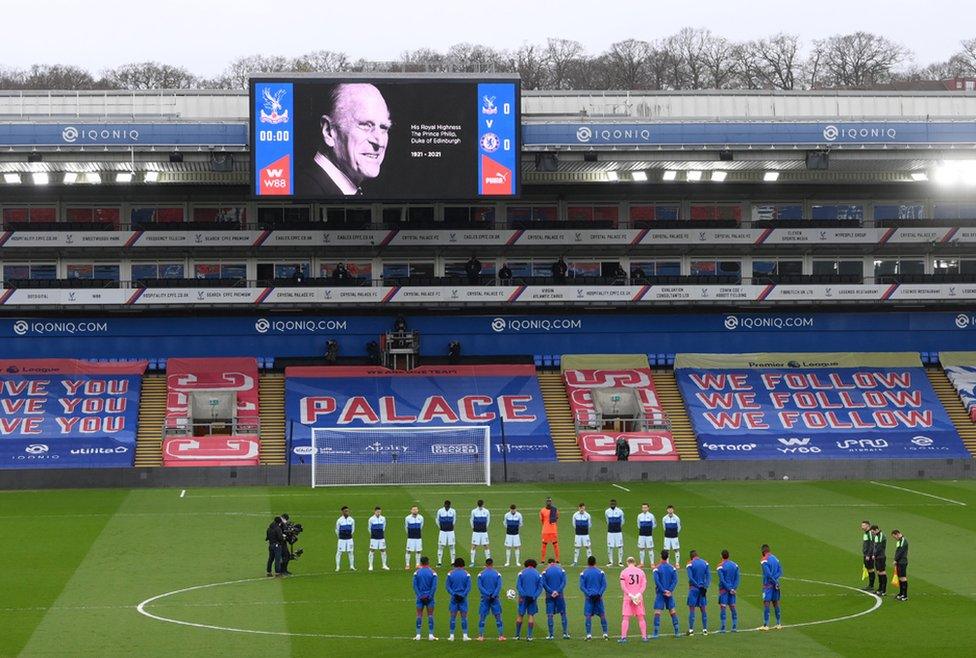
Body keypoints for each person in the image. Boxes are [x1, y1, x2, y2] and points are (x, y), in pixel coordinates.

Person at [299, 82, 391, 197]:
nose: (380, 142)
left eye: (384, 127)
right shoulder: (307, 193)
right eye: (365, 125)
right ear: (328, 131)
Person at [619, 556, 649, 643]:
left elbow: (623, 586)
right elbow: (644, 585)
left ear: (627, 562)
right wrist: (638, 594)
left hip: (628, 598)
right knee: (641, 617)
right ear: (635, 563)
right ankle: (644, 637)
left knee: (625, 617)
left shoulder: (624, 572)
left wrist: (630, 595)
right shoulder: (641, 572)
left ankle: (624, 638)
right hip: (638, 598)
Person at [652, 549, 681, 638]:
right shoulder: (672, 568)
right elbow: (675, 580)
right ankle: (677, 632)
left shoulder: (657, 568)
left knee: (657, 611)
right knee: (672, 611)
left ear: (661, 556)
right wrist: (669, 591)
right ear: (667, 557)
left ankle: (656, 633)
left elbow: (657, 581)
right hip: (669, 594)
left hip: (661, 593)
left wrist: (663, 590)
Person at [579, 555, 609, 640]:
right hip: (599, 598)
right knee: (602, 615)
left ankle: (589, 635)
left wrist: (588, 593)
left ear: (588, 563)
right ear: (595, 563)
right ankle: (605, 634)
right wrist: (599, 593)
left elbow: (582, 586)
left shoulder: (583, 573)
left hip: (589, 598)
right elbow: (604, 585)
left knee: (588, 616)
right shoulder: (600, 572)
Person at [476, 558, 506, 641]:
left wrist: (487, 594)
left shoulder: (481, 574)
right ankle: (501, 636)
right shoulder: (497, 574)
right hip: (495, 598)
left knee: (482, 617)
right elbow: (499, 586)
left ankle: (480, 636)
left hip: (485, 598)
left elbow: (480, 586)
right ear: (492, 564)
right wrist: (494, 595)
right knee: (498, 617)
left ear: (485, 564)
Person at [515, 559, 544, 641]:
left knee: (520, 615)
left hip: (523, 598)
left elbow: (518, 585)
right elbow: (540, 588)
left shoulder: (521, 573)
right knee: (531, 615)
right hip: (532, 598)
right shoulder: (538, 574)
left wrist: (523, 594)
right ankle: (529, 636)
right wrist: (535, 596)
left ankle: (517, 635)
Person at [542, 558, 570, 640]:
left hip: (549, 596)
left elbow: (543, 583)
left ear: (549, 563)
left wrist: (551, 592)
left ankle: (551, 635)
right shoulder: (561, 570)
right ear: (554, 562)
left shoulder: (545, 571)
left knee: (550, 614)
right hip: (560, 595)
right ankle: (565, 634)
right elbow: (564, 582)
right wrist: (557, 591)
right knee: (563, 613)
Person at [446, 557, 472, 641]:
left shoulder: (450, 574)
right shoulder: (467, 574)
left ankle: (451, 636)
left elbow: (447, 586)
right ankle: (465, 635)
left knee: (453, 617)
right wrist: (463, 595)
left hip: (454, 598)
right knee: (464, 617)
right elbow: (468, 587)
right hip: (463, 599)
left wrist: (454, 594)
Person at [413, 555, 438, 641]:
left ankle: (418, 635)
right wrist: (430, 596)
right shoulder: (433, 573)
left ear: (421, 562)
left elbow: (415, 586)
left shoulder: (417, 573)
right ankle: (431, 635)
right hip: (429, 598)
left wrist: (420, 596)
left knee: (419, 615)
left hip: (420, 598)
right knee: (430, 615)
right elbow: (434, 586)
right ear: (428, 562)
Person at [685, 549, 710, 635]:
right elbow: (709, 577)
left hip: (694, 589)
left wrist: (697, 586)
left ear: (691, 557)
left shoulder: (690, 564)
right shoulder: (705, 563)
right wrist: (705, 586)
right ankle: (705, 630)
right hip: (702, 589)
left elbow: (690, 577)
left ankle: (691, 630)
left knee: (692, 609)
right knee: (703, 609)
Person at [759, 544, 782, 631]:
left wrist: (773, 581)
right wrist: (776, 581)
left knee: (766, 603)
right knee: (776, 602)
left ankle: (766, 625)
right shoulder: (776, 559)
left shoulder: (764, 560)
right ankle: (778, 623)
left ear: (763, 551)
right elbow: (780, 571)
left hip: (768, 585)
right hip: (776, 585)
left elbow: (768, 574)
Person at [717, 549, 740, 632]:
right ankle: (734, 627)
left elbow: (722, 580)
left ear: (721, 556)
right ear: (728, 555)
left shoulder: (720, 566)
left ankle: (723, 627)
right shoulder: (735, 565)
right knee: (733, 607)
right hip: (732, 590)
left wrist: (729, 589)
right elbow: (737, 578)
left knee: (723, 607)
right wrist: (733, 588)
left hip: (724, 590)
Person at [368, 506, 389, 571]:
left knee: (383, 550)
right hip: (373, 538)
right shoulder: (371, 519)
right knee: (372, 550)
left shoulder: (383, 518)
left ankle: (384, 565)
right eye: (377, 512)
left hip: (381, 537)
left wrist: (381, 533)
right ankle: (370, 566)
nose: (378, 513)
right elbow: (369, 528)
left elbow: (384, 527)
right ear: (375, 512)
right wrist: (373, 534)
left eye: (379, 512)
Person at [436, 500, 457, 567]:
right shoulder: (440, 511)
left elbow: (454, 519)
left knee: (452, 546)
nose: (447, 507)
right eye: (446, 506)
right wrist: (440, 527)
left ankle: (453, 562)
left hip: (451, 531)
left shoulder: (453, 511)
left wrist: (451, 526)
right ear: (444, 505)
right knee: (440, 546)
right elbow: (437, 520)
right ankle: (439, 562)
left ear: (450, 505)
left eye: (448, 506)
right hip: (442, 531)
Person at [470, 500, 491, 565]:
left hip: (484, 531)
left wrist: (486, 527)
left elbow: (488, 520)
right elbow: (471, 520)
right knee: (474, 546)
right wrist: (473, 527)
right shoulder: (474, 511)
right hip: (476, 532)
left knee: (486, 545)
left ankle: (488, 561)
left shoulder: (486, 511)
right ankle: (472, 562)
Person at [335, 506, 356, 571]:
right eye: (346, 511)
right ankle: (338, 567)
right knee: (339, 552)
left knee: (350, 552)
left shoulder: (351, 520)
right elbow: (337, 530)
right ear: (342, 512)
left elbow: (353, 529)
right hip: (341, 539)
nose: (347, 512)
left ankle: (352, 566)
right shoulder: (339, 520)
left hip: (349, 539)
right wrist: (340, 536)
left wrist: (349, 535)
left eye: (348, 511)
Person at [539, 497, 560, 563]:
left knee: (555, 545)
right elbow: (541, 520)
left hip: (553, 530)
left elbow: (556, 518)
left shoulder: (555, 510)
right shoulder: (542, 510)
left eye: (550, 501)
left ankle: (557, 559)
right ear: (546, 502)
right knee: (544, 545)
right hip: (545, 531)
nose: (549, 502)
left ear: (551, 502)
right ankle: (542, 560)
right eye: (548, 501)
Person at [572, 502, 592, 566]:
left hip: (585, 534)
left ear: (584, 508)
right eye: (580, 508)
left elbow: (589, 525)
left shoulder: (588, 515)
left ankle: (590, 562)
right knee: (577, 547)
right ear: (579, 508)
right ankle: (575, 562)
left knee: (588, 547)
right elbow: (574, 524)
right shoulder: (575, 515)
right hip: (578, 534)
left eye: (583, 508)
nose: (581, 509)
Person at [605, 499, 625, 567]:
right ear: (610, 504)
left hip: (618, 532)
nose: (612, 504)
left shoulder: (620, 511)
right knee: (610, 546)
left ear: (616, 504)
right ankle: (610, 561)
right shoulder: (607, 511)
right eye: (611, 503)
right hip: (610, 532)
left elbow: (622, 521)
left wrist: (618, 527)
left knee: (620, 546)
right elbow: (607, 521)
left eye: (614, 503)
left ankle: (620, 561)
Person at [870, 524, 888, 597]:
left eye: (873, 532)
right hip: (877, 557)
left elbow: (879, 547)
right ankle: (880, 589)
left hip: (881, 557)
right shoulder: (877, 536)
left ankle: (883, 590)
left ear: (876, 530)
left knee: (882, 572)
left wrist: (874, 554)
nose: (872, 533)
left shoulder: (881, 536)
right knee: (879, 572)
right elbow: (875, 547)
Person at [405, 506, 425, 570]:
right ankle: (407, 565)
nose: (415, 510)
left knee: (418, 551)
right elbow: (406, 527)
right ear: (411, 511)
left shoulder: (421, 517)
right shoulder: (407, 518)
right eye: (413, 509)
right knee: (408, 551)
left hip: (418, 537)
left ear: (418, 510)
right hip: (410, 537)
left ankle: (417, 564)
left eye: (416, 509)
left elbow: (421, 526)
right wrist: (409, 534)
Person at [892, 529, 909, 601]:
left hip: (902, 562)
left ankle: (905, 595)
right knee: (900, 577)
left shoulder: (903, 541)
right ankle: (901, 593)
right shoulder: (899, 541)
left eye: (894, 536)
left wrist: (895, 560)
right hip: (899, 561)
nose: (894, 538)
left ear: (898, 534)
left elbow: (901, 552)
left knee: (903, 578)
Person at [636, 503, 656, 567]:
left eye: (645, 507)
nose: (644, 509)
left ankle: (652, 563)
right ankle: (642, 563)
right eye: (643, 507)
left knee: (650, 548)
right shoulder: (639, 516)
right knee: (641, 548)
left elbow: (654, 524)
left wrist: (649, 529)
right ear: (642, 508)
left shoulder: (651, 516)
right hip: (641, 534)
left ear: (648, 508)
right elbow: (638, 525)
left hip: (649, 535)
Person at [860, 520, 875, 591]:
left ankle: (871, 586)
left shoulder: (870, 533)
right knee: (869, 569)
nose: (862, 527)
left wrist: (868, 555)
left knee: (871, 569)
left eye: (863, 525)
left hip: (869, 555)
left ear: (868, 526)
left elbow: (872, 545)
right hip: (866, 554)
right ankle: (870, 585)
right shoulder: (866, 533)